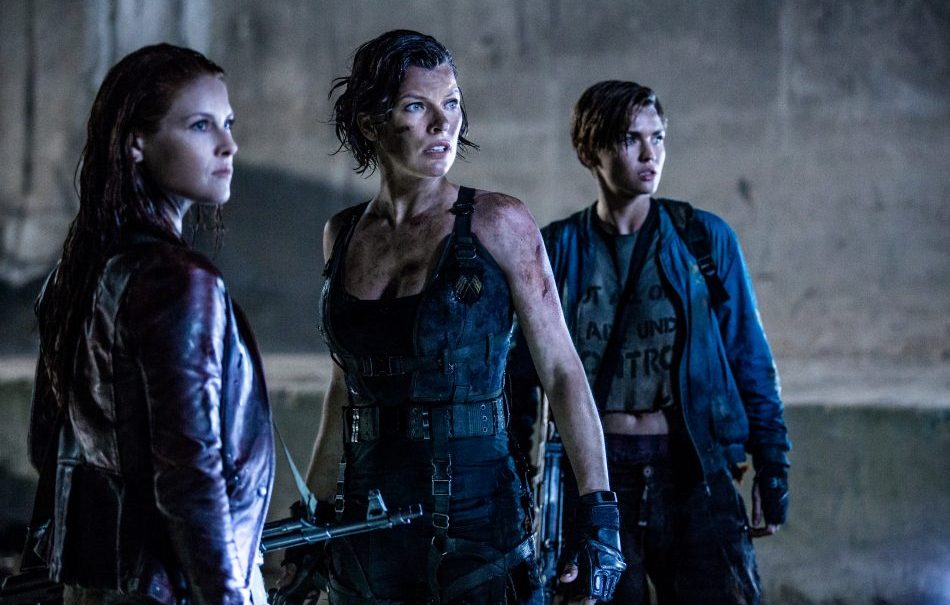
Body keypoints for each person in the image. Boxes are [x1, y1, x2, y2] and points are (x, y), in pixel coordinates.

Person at [285, 30, 624, 604]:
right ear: (371, 122)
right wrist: (312, 523)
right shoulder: (342, 235)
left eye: (452, 103)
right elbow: (345, 391)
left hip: (476, 513)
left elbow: (562, 371)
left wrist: (600, 517)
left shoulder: (499, 223)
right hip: (366, 519)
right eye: (417, 107)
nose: (444, 124)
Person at [510, 80, 791, 603]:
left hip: (692, 468)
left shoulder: (701, 239)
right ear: (590, 151)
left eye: (657, 137)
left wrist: (773, 464)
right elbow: (522, 377)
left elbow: (749, 356)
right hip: (596, 477)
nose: (649, 153)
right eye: (630, 139)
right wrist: (520, 481)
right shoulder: (556, 251)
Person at [26, 44, 274, 605]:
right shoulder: (178, 282)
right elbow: (191, 476)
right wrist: (224, 594)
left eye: (229, 123)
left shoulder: (76, 272)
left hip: (96, 583)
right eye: (200, 125)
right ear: (136, 142)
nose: (228, 145)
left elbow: (48, 447)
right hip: (175, 586)